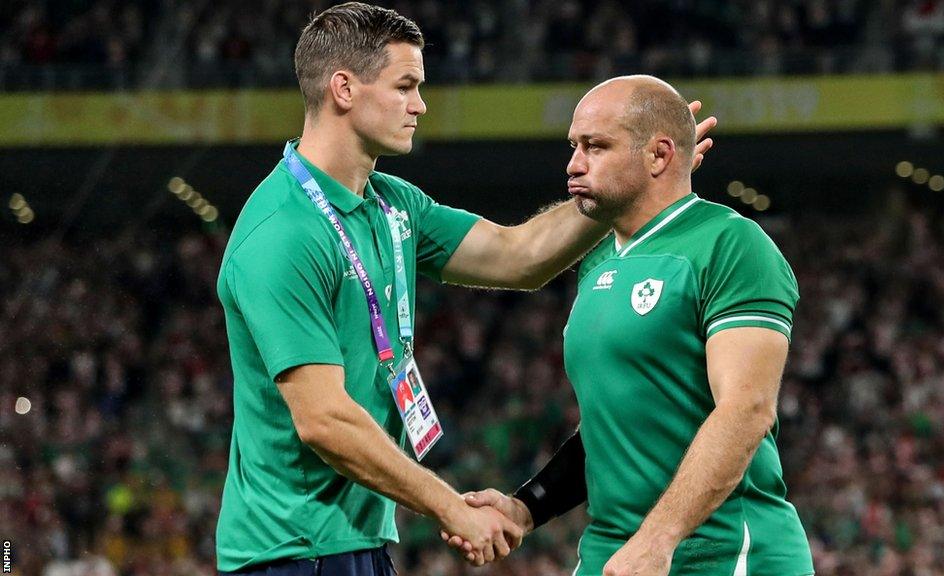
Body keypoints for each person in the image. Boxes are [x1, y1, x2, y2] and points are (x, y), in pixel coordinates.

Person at [215, 4, 717, 575]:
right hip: (291, 553)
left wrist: (625, 183)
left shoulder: (392, 204)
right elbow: (323, 420)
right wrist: (451, 508)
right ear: (344, 89)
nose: (420, 105)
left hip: (353, 544)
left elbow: (519, 255)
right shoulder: (283, 232)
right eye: (405, 86)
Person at [450, 75, 813, 575]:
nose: (574, 164)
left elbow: (747, 409)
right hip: (614, 554)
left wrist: (657, 539)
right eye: (574, 146)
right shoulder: (599, 263)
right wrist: (527, 506)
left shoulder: (731, 244)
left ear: (659, 156)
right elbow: (610, 427)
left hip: (727, 554)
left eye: (596, 147)